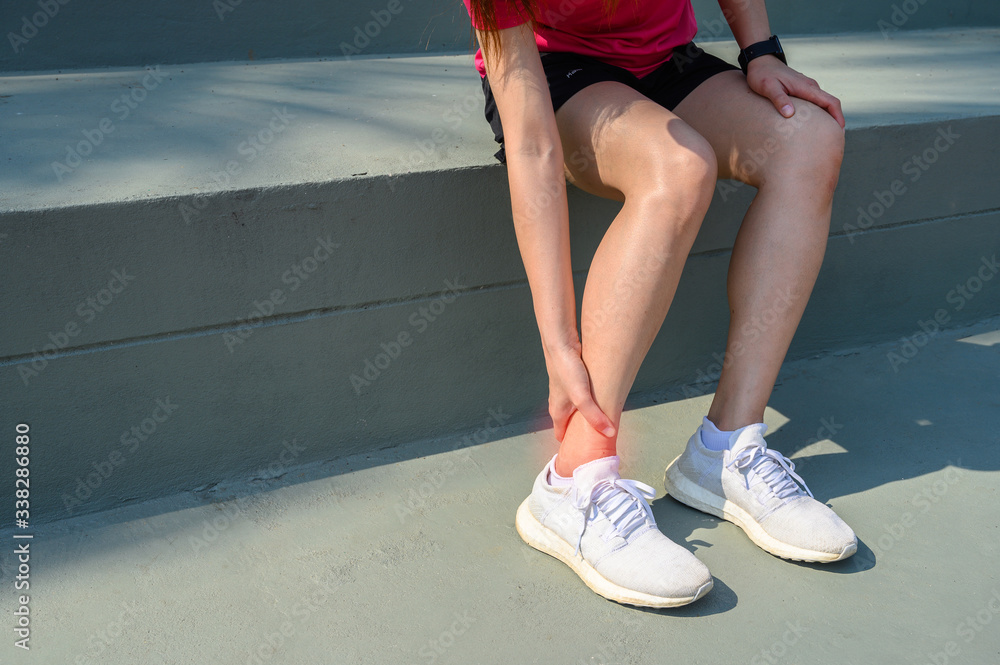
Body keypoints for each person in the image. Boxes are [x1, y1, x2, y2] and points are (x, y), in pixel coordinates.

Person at [461, 0, 857, 608]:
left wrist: (759, 51)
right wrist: (558, 342)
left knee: (809, 137)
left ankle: (725, 449)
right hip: (555, 74)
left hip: (664, 62)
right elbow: (533, 144)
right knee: (678, 166)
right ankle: (574, 480)